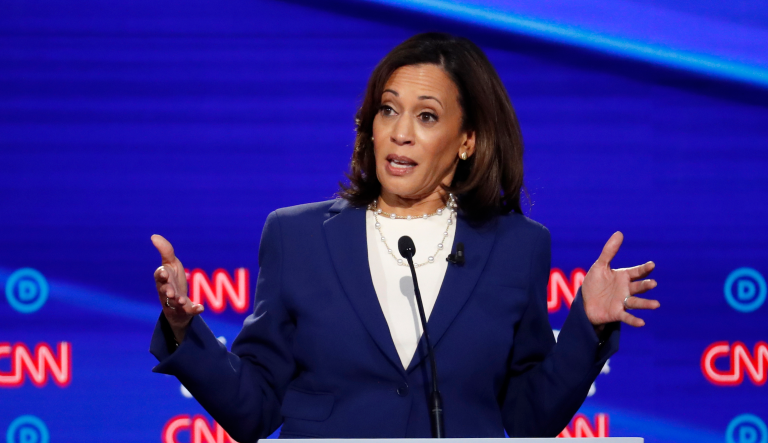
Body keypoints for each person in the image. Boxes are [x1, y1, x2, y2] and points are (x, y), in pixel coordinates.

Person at [149, 33, 659, 442]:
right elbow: (252, 410)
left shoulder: (516, 246)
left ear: (467, 141)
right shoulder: (296, 235)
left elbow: (530, 418)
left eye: (427, 116)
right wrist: (180, 328)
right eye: (388, 110)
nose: (400, 132)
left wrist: (586, 327)